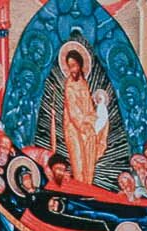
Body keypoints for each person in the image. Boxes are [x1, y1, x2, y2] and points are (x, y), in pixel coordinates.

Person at [60, 44, 107, 186]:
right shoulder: (69, 85)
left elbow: (88, 108)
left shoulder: (84, 83)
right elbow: (73, 110)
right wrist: (84, 125)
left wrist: (93, 119)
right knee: (79, 164)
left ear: (80, 65)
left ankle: (88, 187)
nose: (72, 69)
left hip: (86, 126)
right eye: (69, 66)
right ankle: (81, 189)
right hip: (74, 130)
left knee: (89, 162)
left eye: (74, 65)